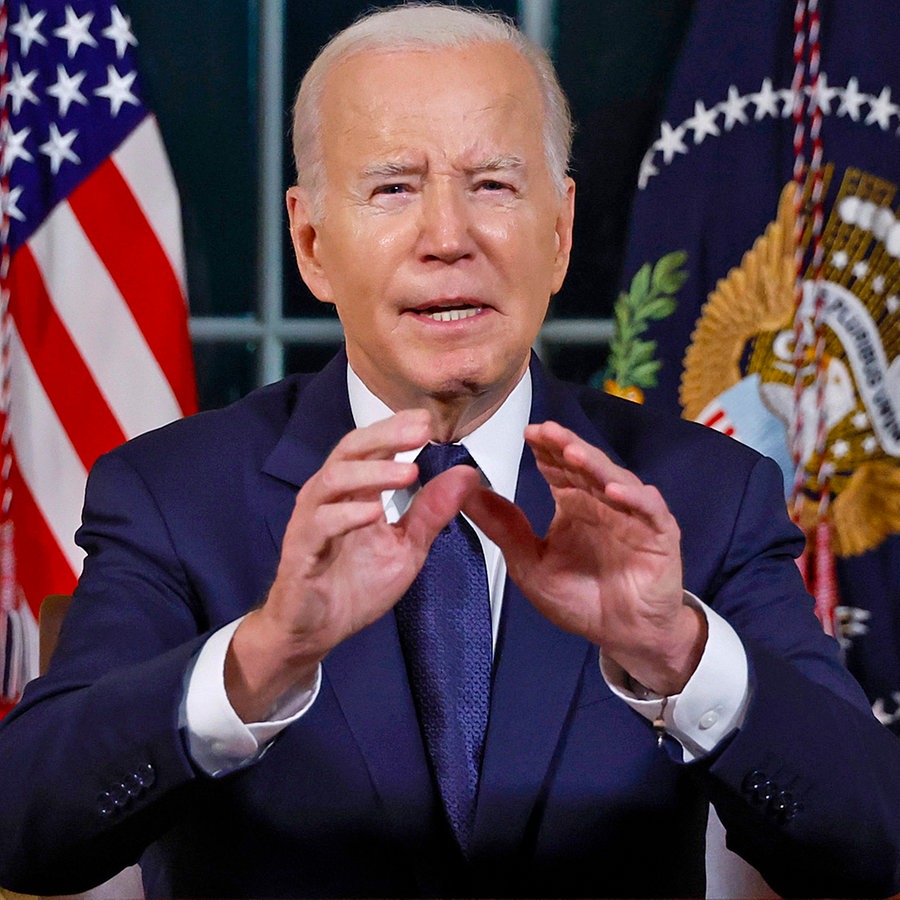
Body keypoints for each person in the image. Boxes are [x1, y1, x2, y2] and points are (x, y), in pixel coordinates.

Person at [1, 4, 899, 898]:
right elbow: (28, 831)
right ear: (312, 242)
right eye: (393, 187)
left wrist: (679, 653)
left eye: (495, 185)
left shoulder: (708, 492)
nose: (448, 238)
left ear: (560, 232)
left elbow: (875, 844)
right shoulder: (170, 495)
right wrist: (262, 658)